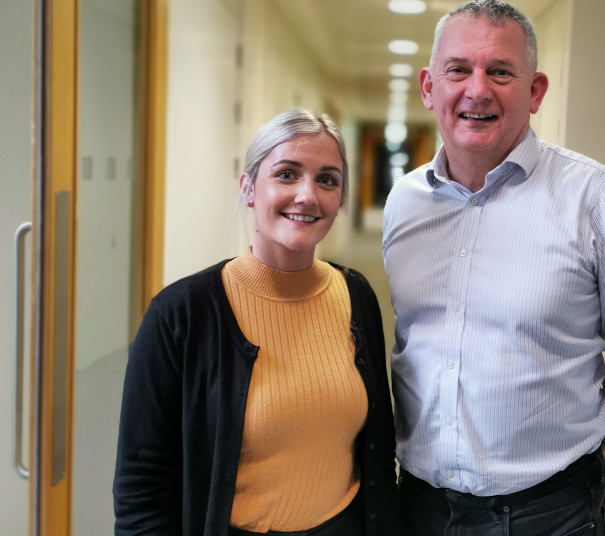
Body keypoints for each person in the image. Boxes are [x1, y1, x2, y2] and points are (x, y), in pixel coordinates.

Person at [383, 0, 605, 535]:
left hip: (549, 514)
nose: (477, 90)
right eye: (459, 70)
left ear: (535, 90)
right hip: (421, 508)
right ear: (430, 87)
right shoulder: (404, 202)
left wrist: (573, 442)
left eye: (501, 72)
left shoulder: (599, 200)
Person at [114, 110, 402, 536]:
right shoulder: (181, 314)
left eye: (327, 179)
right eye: (287, 174)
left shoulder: (355, 295)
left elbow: (377, 448)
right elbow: (142, 488)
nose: (308, 195)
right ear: (249, 187)